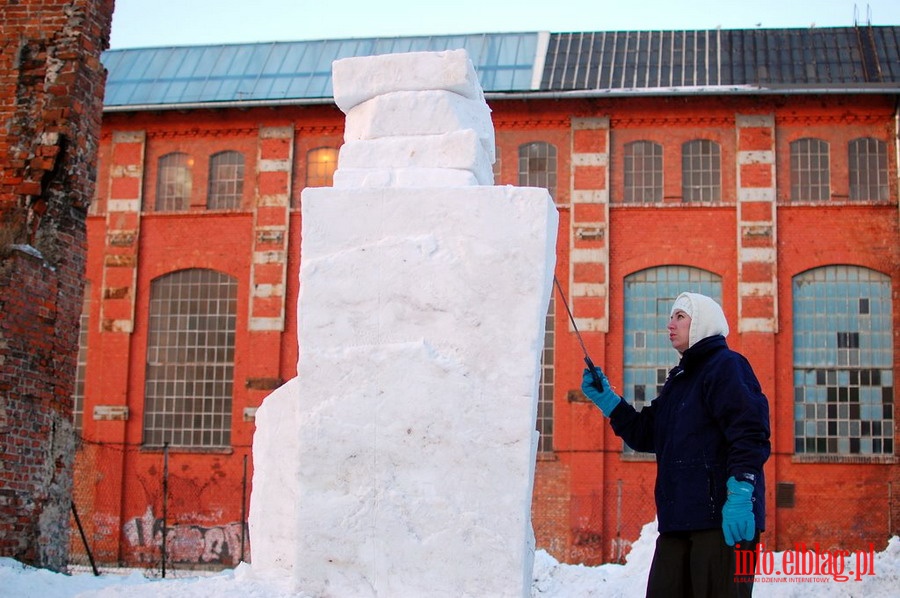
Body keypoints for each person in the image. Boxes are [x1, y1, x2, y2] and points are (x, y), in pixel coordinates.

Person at [581, 291, 770, 598]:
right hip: (678, 521)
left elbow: (749, 431)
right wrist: (608, 400)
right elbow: (646, 433)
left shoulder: (727, 366)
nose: (670, 324)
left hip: (721, 520)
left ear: (703, 324)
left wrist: (741, 492)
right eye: (671, 317)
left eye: (680, 317)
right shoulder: (679, 381)